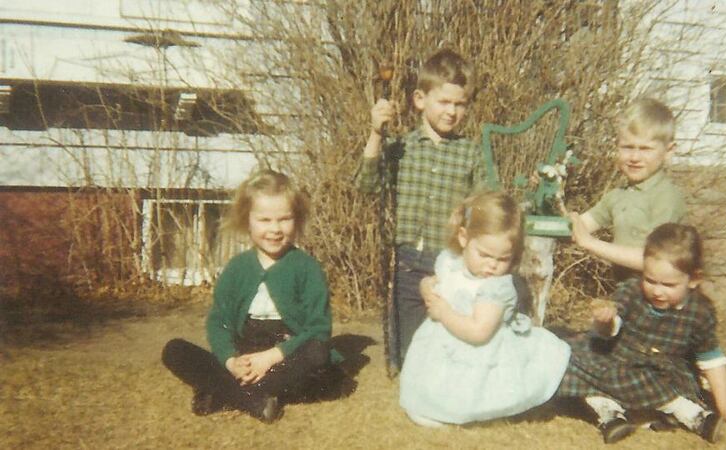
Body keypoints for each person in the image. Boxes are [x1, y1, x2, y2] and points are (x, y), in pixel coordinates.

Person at [162, 169, 342, 422]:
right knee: (175, 350)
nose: (275, 229)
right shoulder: (237, 268)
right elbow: (218, 322)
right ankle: (251, 396)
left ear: (297, 220)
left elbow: (319, 329)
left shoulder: (306, 267)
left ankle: (224, 392)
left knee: (319, 355)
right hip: (244, 353)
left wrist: (271, 357)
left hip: (286, 353)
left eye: (284, 219)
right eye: (265, 220)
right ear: (247, 220)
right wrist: (230, 362)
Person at [557, 223, 726, 444]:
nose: (657, 290)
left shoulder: (700, 312)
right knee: (566, 356)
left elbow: (711, 359)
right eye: (650, 280)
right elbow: (612, 326)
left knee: (643, 379)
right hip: (619, 360)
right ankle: (610, 414)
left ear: (693, 279)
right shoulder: (631, 291)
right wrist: (605, 322)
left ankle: (691, 414)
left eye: (668, 284)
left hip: (660, 374)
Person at [356, 48, 488, 370]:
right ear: (419, 100)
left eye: (460, 104)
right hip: (406, 263)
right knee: (407, 357)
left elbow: (484, 208)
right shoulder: (400, 147)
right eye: (444, 102)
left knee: (447, 346)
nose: (451, 111)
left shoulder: (470, 153)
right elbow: (365, 184)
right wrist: (375, 131)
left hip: (449, 262)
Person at [399, 192, 571, 427]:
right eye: (484, 255)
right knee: (434, 386)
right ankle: (433, 405)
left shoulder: (495, 287)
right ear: (463, 238)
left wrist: (444, 313)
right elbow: (436, 281)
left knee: (476, 392)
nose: (491, 265)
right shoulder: (451, 262)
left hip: (480, 351)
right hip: (444, 345)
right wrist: (427, 288)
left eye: (503, 259)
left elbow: (479, 332)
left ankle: (474, 412)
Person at [569, 98, 686, 281]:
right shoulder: (617, 196)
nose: (634, 157)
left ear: (668, 152)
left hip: (660, 297)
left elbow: (653, 259)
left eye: (645, 149)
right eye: (627, 147)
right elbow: (577, 227)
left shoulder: (666, 197)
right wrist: (546, 200)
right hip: (627, 294)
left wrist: (591, 243)